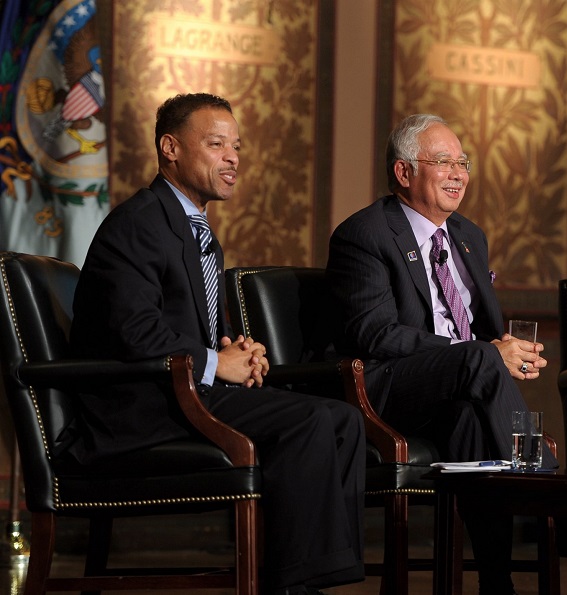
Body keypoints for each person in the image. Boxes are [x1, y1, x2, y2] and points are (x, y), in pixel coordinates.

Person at [69, 93, 365, 595]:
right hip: (139, 406)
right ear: (170, 148)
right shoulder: (139, 222)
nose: (233, 158)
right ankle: (295, 583)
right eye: (216, 144)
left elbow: (184, 327)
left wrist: (236, 351)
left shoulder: (193, 226)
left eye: (237, 147)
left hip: (186, 390)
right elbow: (133, 331)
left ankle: (310, 576)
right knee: (312, 419)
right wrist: (214, 363)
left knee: (343, 418)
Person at [326, 113, 556, 595]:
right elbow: (373, 332)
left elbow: (486, 332)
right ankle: (552, 490)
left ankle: (498, 581)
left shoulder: (470, 236)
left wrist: (514, 352)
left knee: (470, 420)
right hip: (389, 385)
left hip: (463, 387)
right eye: (443, 162)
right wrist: (483, 353)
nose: (458, 174)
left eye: (463, 163)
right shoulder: (364, 235)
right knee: (476, 358)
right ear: (404, 172)